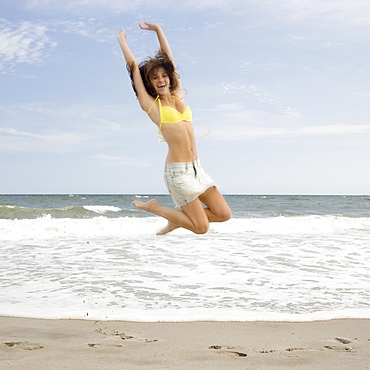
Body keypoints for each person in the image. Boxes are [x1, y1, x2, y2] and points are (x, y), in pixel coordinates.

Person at [117, 21, 231, 235]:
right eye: (154, 77)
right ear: (149, 83)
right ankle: (156, 208)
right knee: (201, 227)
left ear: (169, 77)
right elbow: (133, 67)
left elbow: (169, 59)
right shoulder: (152, 106)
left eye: (163, 75)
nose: (160, 79)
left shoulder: (178, 95)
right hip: (178, 174)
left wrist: (159, 30)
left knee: (224, 214)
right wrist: (122, 41)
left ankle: (178, 219)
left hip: (197, 168)